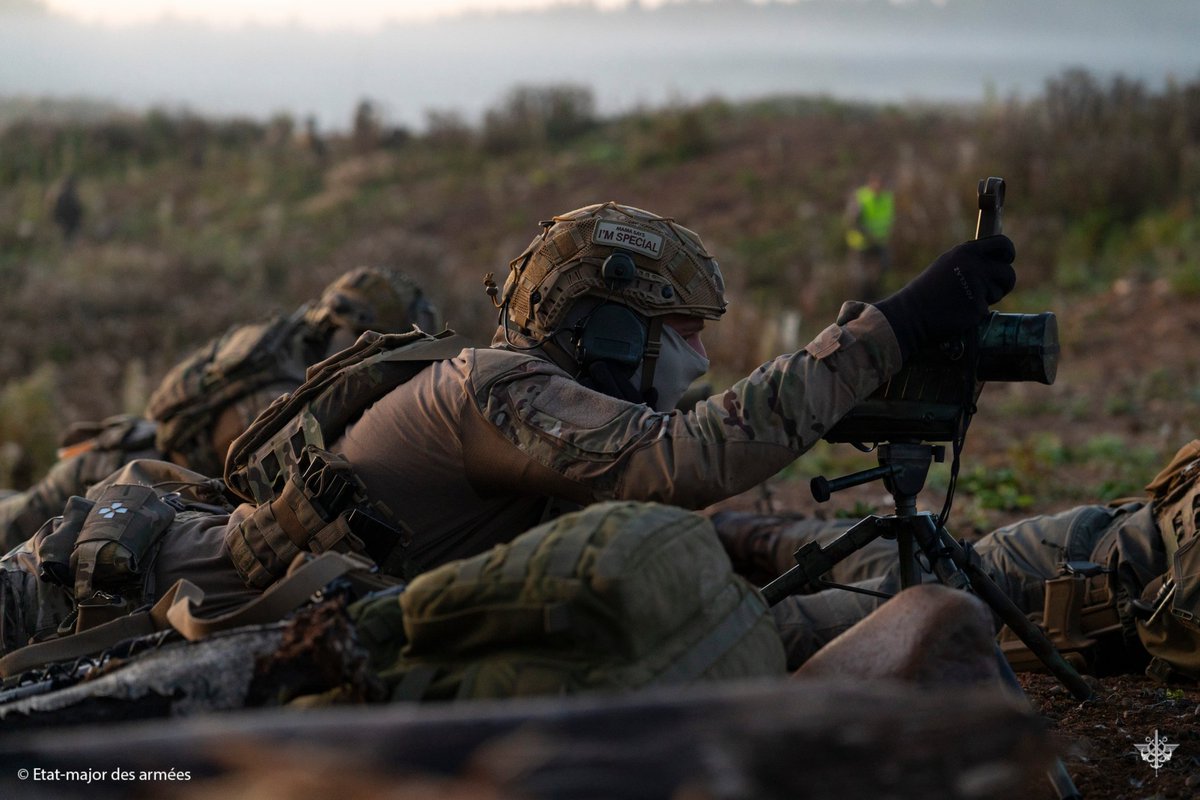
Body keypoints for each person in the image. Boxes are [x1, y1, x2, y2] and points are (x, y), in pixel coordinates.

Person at [0, 201, 1015, 663]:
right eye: (686, 335)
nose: (704, 362)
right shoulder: (499, 390)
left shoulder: (535, 405)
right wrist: (896, 324)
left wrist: (793, 547)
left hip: (182, 596)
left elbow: (656, 509)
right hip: (104, 597)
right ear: (606, 328)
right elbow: (686, 460)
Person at [0, 266, 440, 552]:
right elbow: (253, 488)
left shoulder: (275, 343)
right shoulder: (289, 388)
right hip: (122, 477)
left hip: (124, 458)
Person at [716, 438, 1200, 681]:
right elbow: (1170, 624)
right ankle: (676, 633)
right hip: (1050, 581)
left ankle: (727, 533)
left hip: (1066, 549)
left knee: (881, 557)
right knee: (859, 621)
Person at [844, 173, 895, 300]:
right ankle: (862, 299)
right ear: (870, 183)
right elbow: (852, 220)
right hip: (861, 243)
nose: (877, 187)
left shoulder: (887, 198)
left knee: (884, 268)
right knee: (861, 278)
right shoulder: (861, 197)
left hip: (879, 242)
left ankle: (877, 296)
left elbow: (889, 219)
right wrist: (865, 233)